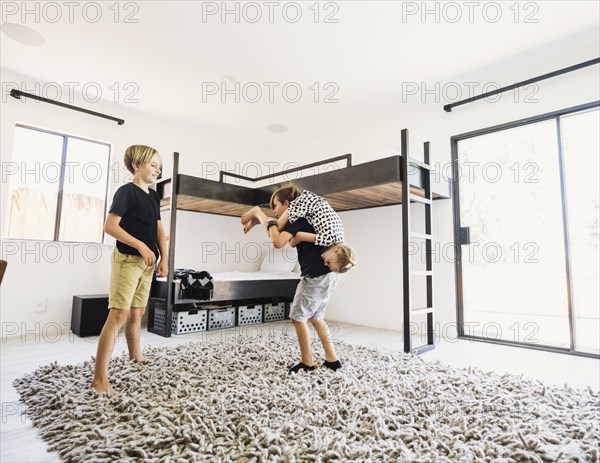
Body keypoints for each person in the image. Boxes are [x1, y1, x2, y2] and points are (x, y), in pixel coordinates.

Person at [242, 187, 355, 374]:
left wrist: (258, 214)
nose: (276, 212)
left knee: (298, 318)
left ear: (287, 204)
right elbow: (277, 232)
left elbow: (277, 240)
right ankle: (332, 360)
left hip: (315, 277)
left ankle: (307, 363)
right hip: (328, 277)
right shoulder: (309, 218)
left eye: (276, 206)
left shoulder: (297, 218)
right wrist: (257, 220)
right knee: (317, 318)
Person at [91, 145, 168, 395]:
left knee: (137, 312)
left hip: (148, 263)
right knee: (118, 316)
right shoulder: (127, 192)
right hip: (127, 259)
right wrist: (139, 245)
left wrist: (164, 257)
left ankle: (135, 355)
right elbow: (110, 226)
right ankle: (99, 379)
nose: (158, 169)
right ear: (136, 165)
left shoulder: (154, 196)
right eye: (153, 164)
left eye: (159, 166)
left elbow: (158, 229)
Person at [241, 184, 356, 273]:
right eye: (328, 262)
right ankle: (257, 212)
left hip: (310, 202)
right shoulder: (327, 239)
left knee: (273, 228)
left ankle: (257, 219)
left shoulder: (338, 237)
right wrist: (295, 240)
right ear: (337, 251)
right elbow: (297, 236)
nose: (325, 264)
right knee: (277, 228)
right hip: (306, 203)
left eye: (275, 206)